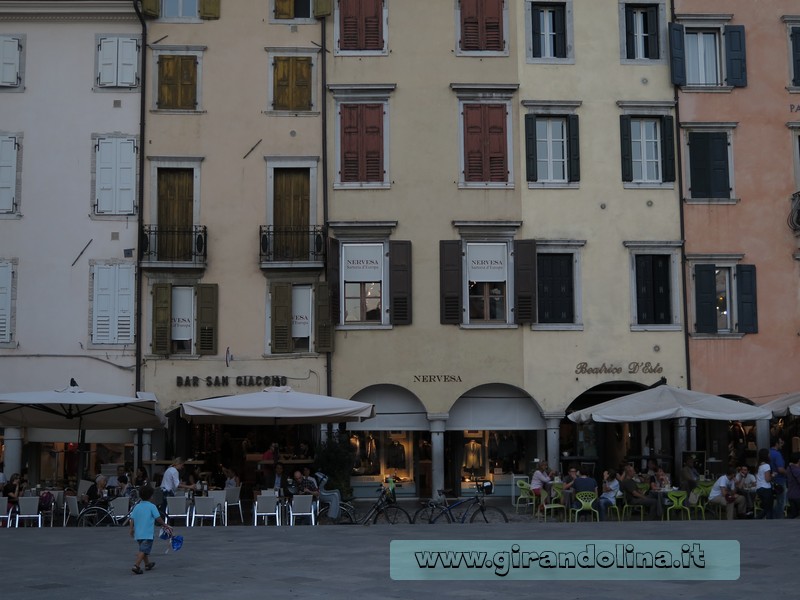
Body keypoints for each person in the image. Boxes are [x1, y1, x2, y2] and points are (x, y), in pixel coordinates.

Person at [129, 485, 170, 575]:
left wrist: (131, 529)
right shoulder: (152, 506)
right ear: (151, 496)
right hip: (147, 534)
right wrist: (164, 524)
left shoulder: (137, 507)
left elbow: (132, 518)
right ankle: (136, 565)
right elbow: (158, 518)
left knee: (143, 549)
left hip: (138, 534)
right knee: (143, 550)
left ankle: (147, 564)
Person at [769, 437, 787, 519]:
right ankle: (778, 518)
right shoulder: (777, 454)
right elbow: (780, 469)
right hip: (780, 480)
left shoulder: (768, 453)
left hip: (771, 480)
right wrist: (788, 473)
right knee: (781, 502)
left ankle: (772, 516)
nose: (782, 443)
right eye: (780, 442)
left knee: (772, 501)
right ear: (776, 444)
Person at [755, 448, 774, 519]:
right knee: (768, 508)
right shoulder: (766, 466)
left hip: (759, 488)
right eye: (768, 454)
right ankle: (757, 519)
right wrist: (772, 475)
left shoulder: (758, 465)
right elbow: (767, 479)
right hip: (766, 488)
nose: (769, 455)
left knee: (766, 507)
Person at [786, 452, 800, 519]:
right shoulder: (797, 471)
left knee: (794, 513)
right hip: (797, 495)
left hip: (790, 494)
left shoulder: (789, 468)